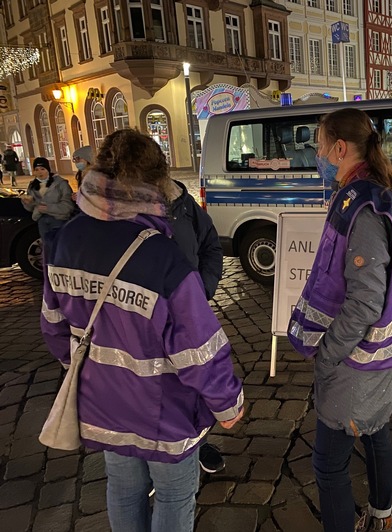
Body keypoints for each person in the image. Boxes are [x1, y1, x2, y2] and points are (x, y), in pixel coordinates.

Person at [40, 129, 245, 532]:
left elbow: (53, 328)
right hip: (164, 412)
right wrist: (228, 403)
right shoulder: (159, 255)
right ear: (155, 183)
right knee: (172, 495)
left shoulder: (65, 241)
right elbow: (198, 347)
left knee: (122, 488)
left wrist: (91, 369)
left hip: (104, 402)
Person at [287, 108, 392, 532]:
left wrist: (327, 353)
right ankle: (381, 518)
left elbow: (364, 300)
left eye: (320, 146)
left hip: (356, 358)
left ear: (340, 148)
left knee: (327, 463)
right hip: (379, 353)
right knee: (376, 432)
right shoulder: (381, 192)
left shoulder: (361, 205)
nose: (318, 155)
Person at [167, 177, 225, 472]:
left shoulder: (181, 203)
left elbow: (210, 246)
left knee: (191, 382)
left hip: (187, 318)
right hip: (134, 328)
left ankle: (197, 443)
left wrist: (201, 291)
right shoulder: (106, 217)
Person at [21, 157, 74, 241]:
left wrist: (48, 208)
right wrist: (28, 203)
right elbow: (31, 208)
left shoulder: (61, 183)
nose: (40, 172)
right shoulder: (33, 185)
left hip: (58, 219)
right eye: (36, 169)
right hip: (41, 220)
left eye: (42, 169)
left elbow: (68, 206)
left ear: (48, 169)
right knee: (47, 247)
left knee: (59, 245)